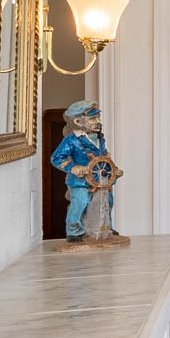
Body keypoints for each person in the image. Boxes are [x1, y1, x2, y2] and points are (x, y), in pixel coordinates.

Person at [51, 100, 117, 241]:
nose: (98, 122)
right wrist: (72, 168)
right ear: (78, 121)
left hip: (100, 179)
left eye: (98, 118)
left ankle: (106, 226)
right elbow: (56, 158)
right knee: (80, 202)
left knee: (107, 201)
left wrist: (114, 170)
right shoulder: (72, 140)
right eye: (93, 119)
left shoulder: (99, 138)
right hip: (80, 181)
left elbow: (103, 156)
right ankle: (74, 231)